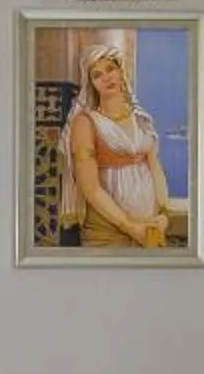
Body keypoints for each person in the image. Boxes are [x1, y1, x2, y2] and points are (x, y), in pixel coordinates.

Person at [62, 43, 171, 249]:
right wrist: (129, 226)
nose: (106, 77)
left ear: (121, 72)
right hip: (108, 233)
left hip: (150, 228)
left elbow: (154, 167)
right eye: (97, 75)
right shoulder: (85, 122)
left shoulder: (140, 119)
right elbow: (91, 188)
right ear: (92, 84)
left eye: (110, 69)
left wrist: (164, 215)